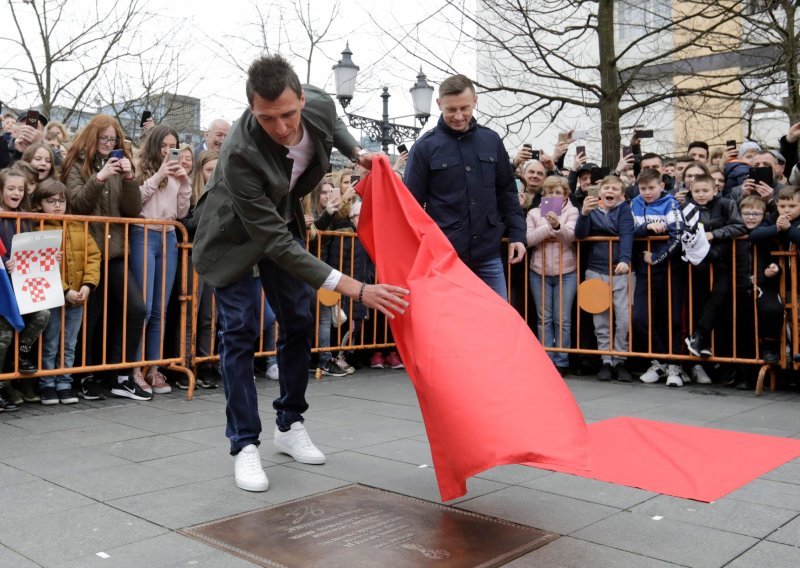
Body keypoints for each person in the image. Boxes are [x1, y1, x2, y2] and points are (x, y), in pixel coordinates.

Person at [191, 54, 408, 493]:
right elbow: (272, 241)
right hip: (231, 235)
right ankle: (244, 444)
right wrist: (352, 287)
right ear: (251, 110)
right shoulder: (238, 153)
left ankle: (289, 423)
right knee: (239, 331)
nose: (283, 127)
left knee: (298, 321)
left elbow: (334, 128)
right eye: (267, 118)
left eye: (289, 114)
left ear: (302, 100)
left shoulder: (321, 105)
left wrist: (356, 152)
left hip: (281, 219)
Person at [404, 74, 526, 300]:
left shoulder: (492, 140)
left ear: (475, 101)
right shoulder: (424, 147)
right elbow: (410, 205)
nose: (458, 116)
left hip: (488, 255)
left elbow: (507, 192)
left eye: (464, 108)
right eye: (451, 110)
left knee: (498, 325)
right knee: (451, 330)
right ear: (439, 104)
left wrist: (518, 235)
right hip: (445, 257)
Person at [62, 115, 148, 401]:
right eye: (105, 139)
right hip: (87, 252)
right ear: (92, 139)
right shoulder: (76, 164)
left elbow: (132, 210)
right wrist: (99, 178)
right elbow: (76, 204)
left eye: (114, 140)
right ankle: (84, 375)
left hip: (114, 252)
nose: (110, 145)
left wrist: (129, 177)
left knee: (136, 309)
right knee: (91, 316)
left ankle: (120, 376)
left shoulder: (120, 166)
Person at [130, 125, 192, 394]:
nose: (168, 150)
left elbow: (181, 210)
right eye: (164, 145)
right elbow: (135, 202)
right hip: (143, 233)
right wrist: (158, 175)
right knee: (142, 308)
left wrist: (185, 182)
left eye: (173, 145)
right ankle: (135, 369)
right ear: (155, 145)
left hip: (168, 236)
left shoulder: (177, 174)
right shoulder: (140, 166)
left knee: (160, 310)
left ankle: (154, 369)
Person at [31, 179, 101, 404]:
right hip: (53, 296)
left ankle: (64, 382)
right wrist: (64, 290)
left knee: (69, 342)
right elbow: (38, 265)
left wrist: (87, 286)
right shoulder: (37, 226)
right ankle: (47, 383)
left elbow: (93, 256)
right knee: (50, 342)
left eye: (61, 201)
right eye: (51, 201)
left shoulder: (77, 224)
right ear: (40, 203)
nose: (57, 205)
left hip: (77, 297)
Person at [575, 175, 635, 382]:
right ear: (600, 192)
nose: (610, 191)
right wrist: (584, 214)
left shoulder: (624, 209)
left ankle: (620, 359)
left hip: (620, 271)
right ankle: (606, 361)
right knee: (600, 319)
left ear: (621, 194)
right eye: (606, 187)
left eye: (615, 188)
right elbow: (580, 235)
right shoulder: (591, 210)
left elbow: (627, 233)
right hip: (595, 271)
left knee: (623, 319)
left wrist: (625, 259)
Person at [630, 168, 686, 387]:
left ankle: (675, 366)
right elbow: (627, 230)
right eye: (643, 188)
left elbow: (677, 234)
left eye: (651, 188)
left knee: (672, 318)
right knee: (640, 318)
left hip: (670, 268)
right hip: (645, 270)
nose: (647, 192)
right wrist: (646, 228)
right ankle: (660, 361)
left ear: (661, 186)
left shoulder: (671, 203)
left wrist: (657, 257)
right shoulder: (634, 202)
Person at [682, 174, 745, 364]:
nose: (701, 195)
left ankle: (700, 336)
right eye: (697, 191)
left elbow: (739, 226)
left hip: (722, 260)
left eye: (705, 191)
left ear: (715, 190)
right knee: (699, 300)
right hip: (698, 262)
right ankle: (701, 341)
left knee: (719, 295)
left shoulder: (726, 204)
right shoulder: (687, 208)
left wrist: (713, 234)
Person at [0, 167, 50, 403]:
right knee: (4, 336)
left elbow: (28, 250)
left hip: (22, 285)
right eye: (11, 188)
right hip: (3, 288)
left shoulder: (25, 217)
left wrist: (47, 257)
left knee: (42, 315)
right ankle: (3, 385)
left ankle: (19, 357)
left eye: (20, 189)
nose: (16, 193)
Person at [525, 176, 578, 375]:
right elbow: (528, 239)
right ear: (544, 195)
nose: (553, 196)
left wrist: (557, 226)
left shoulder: (572, 211)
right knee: (543, 319)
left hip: (566, 271)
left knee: (562, 318)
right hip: (539, 271)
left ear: (565, 195)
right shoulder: (533, 213)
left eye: (558, 192)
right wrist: (550, 227)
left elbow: (571, 236)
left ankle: (562, 360)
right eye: (549, 192)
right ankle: (547, 359)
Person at [733, 196, 784, 389]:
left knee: (772, 309)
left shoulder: (769, 235)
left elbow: (777, 260)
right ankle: (744, 374)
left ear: (764, 215)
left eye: (756, 213)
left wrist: (774, 269)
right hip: (740, 286)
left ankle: (770, 348)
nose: (751, 217)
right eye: (747, 213)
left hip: (766, 285)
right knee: (743, 327)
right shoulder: (736, 233)